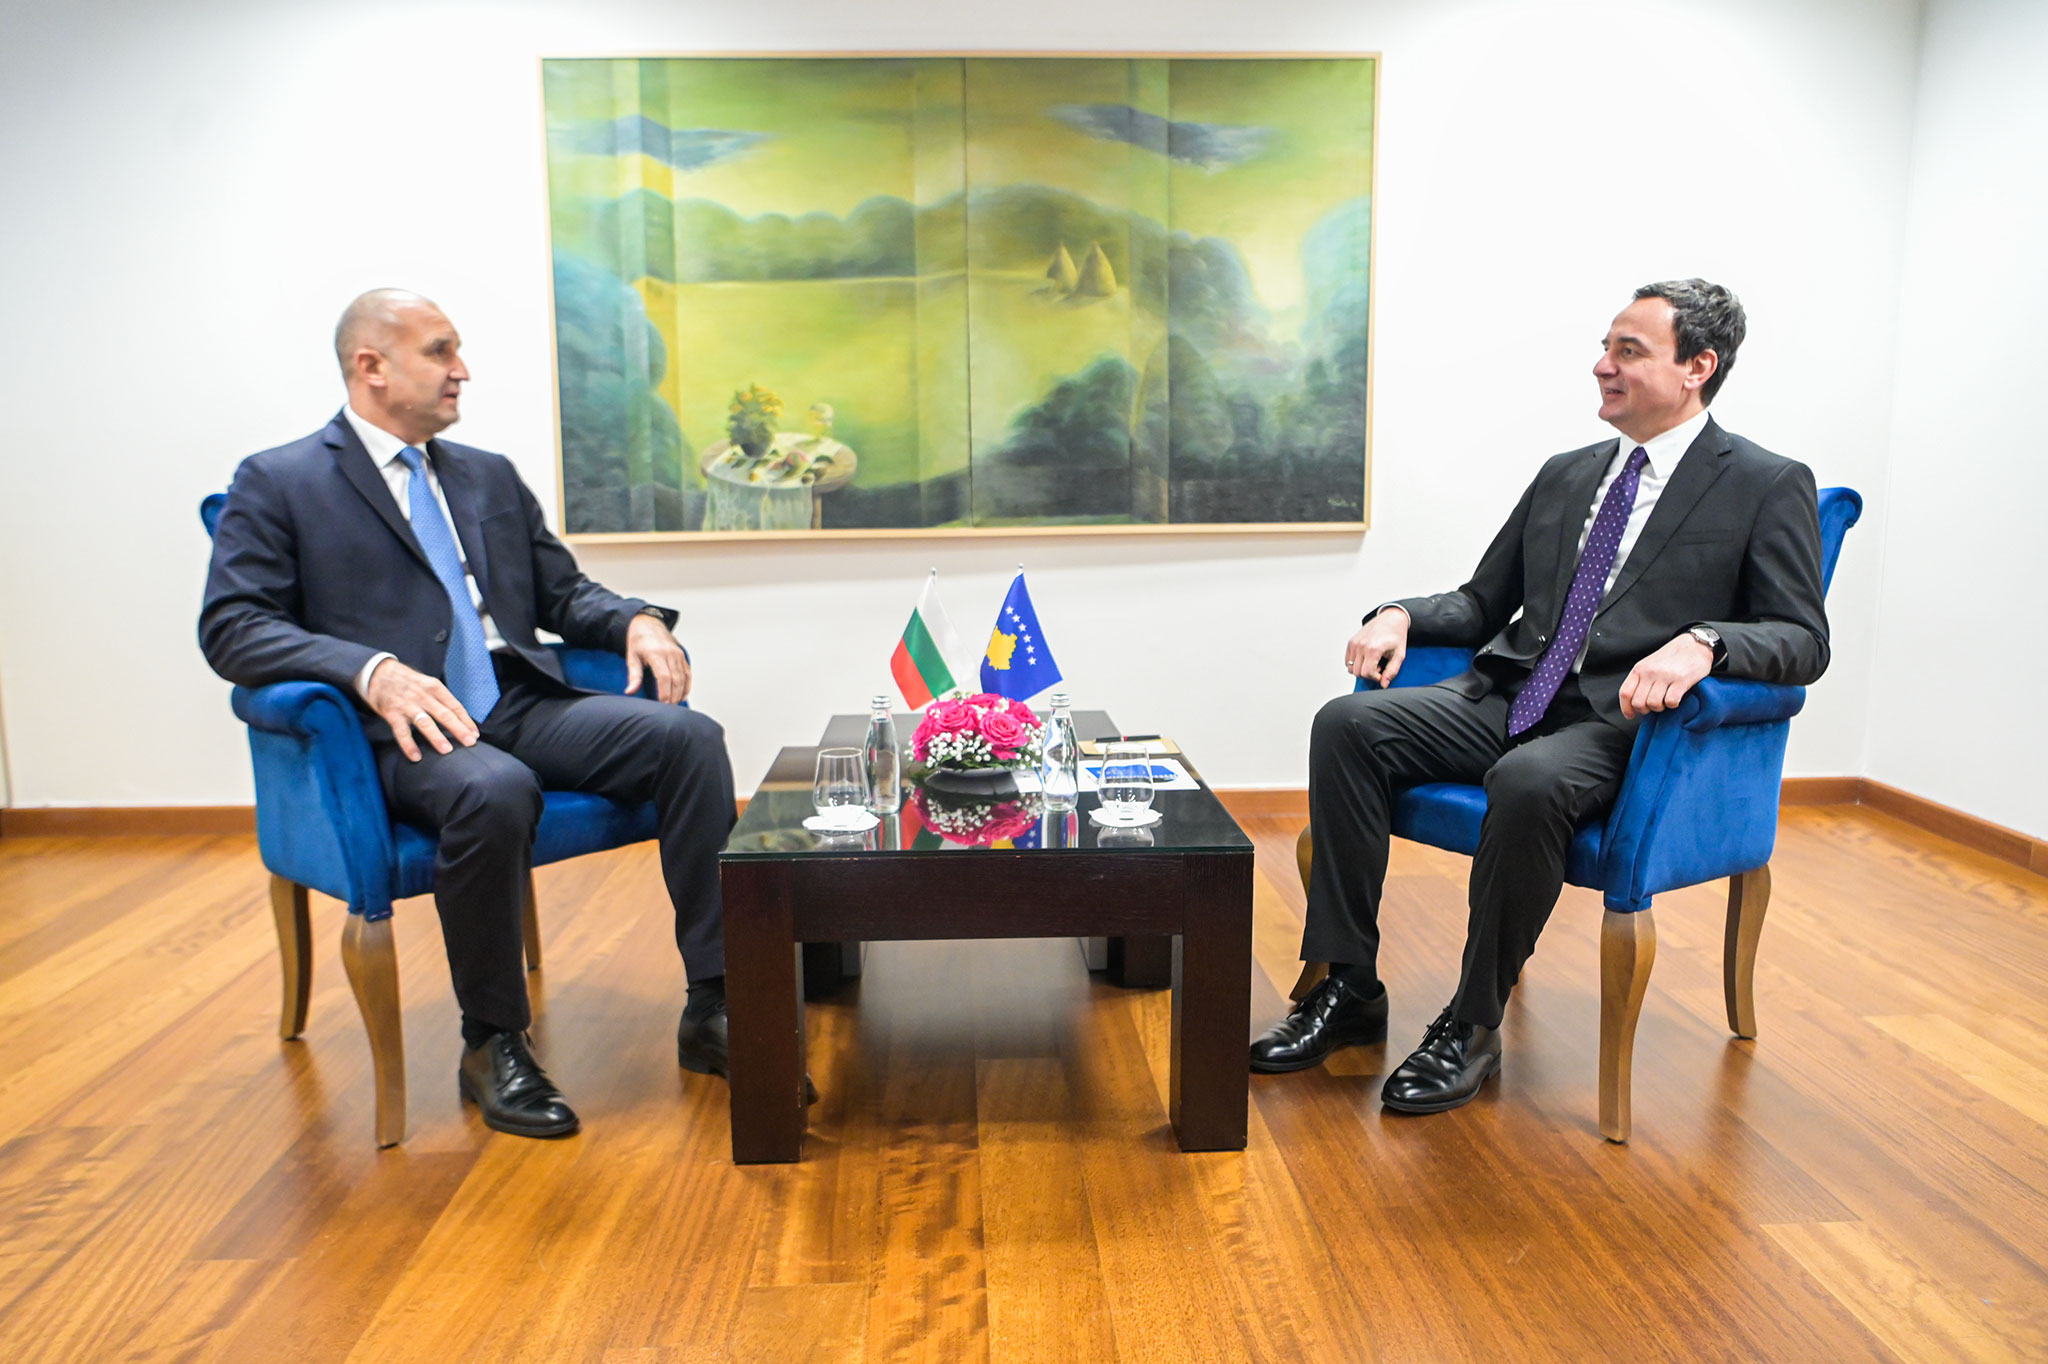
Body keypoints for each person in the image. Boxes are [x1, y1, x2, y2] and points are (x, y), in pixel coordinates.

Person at [1250, 279, 1830, 1114]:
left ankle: (1471, 1024)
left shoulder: (1765, 483)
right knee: (1348, 723)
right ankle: (1348, 988)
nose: (1602, 366)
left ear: (1697, 367)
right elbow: (1483, 602)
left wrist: (1707, 641)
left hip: (1620, 724)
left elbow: (1802, 637)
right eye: (1605, 348)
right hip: (1512, 694)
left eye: (1628, 351)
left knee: (1527, 780)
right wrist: (1399, 613)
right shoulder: (1567, 474)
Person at [201, 289, 740, 1139]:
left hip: (512, 696)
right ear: (371, 367)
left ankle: (714, 1002)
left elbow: (561, 593)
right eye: (440, 351)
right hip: (400, 729)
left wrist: (633, 619)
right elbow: (234, 626)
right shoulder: (280, 481)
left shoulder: (485, 473)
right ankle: (492, 1043)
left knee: (689, 740)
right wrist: (369, 670)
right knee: (493, 789)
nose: (462, 370)